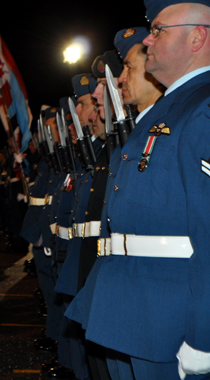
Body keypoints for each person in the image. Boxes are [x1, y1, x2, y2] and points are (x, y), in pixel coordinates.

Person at [81, 1, 210, 378]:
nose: (148, 41)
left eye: (158, 30)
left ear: (197, 36)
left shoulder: (202, 107)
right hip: (136, 306)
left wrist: (203, 335)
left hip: (170, 314)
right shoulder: (173, 107)